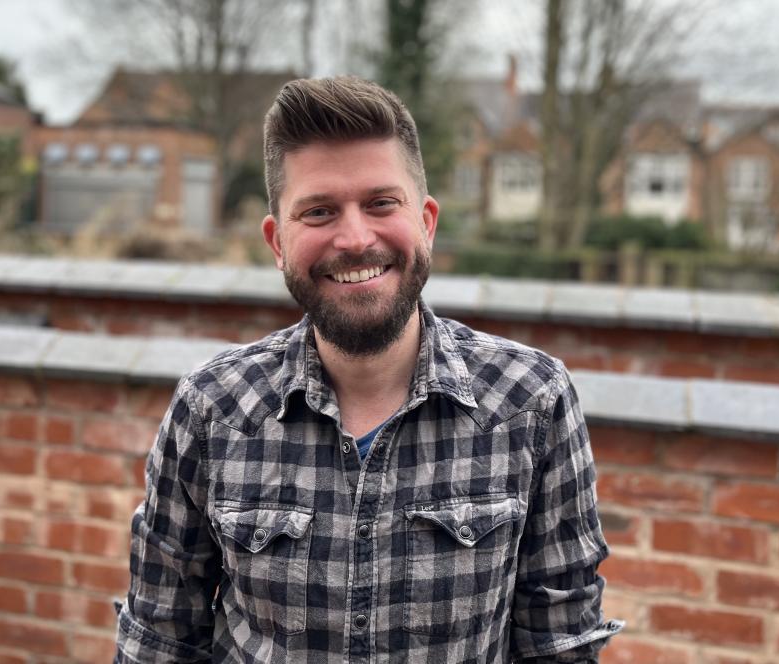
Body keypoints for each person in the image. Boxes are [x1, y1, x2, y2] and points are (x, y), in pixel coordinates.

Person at [114, 76, 623, 663]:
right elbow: (158, 643)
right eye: (319, 211)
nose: (355, 238)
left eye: (382, 203)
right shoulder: (212, 410)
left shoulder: (532, 403)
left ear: (426, 222)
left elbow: (561, 648)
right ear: (277, 242)